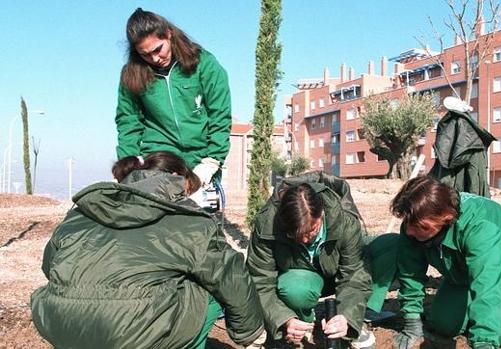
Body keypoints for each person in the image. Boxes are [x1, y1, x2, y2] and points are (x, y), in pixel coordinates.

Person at [30, 151, 265, 349]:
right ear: (175, 177)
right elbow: (231, 276)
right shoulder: (188, 220)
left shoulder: (82, 211)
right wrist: (250, 332)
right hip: (132, 335)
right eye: (187, 190)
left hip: (61, 324)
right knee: (208, 286)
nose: (187, 198)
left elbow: (49, 266)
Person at [390, 175, 501, 349]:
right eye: (407, 223)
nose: (410, 231)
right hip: (463, 269)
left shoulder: (478, 227)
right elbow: (410, 272)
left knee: (500, 330)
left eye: (419, 225)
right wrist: (412, 319)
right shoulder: (414, 224)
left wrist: (484, 341)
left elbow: (486, 283)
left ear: (444, 218)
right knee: (443, 324)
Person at [246, 171, 396, 349]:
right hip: (302, 279)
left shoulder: (344, 220)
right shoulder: (267, 224)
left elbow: (354, 274)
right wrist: (283, 318)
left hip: (336, 274)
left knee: (387, 248)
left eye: (311, 231)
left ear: (322, 213)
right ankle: (302, 322)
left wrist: (347, 316)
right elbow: (260, 281)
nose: (304, 240)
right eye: (295, 235)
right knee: (295, 288)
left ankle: (357, 320)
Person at [115, 8, 232, 187]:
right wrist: (127, 163)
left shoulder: (205, 65)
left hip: (201, 159)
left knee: (201, 211)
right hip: (158, 160)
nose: (154, 58)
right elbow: (128, 121)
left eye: (158, 49)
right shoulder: (131, 75)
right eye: (145, 54)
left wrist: (212, 160)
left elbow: (220, 115)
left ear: (169, 34)